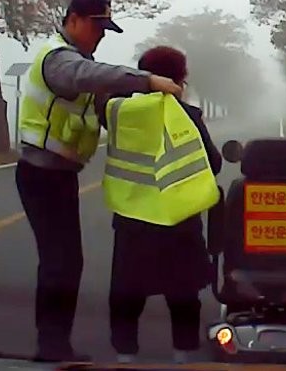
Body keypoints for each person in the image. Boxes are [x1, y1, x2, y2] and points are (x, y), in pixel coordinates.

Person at [15, 0, 183, 362]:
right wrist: (149, 80)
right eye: (96, 26)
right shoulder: (58, 59)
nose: (101, 35)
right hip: (40, 175)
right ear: (73, 20)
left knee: (66, 260)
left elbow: (106, 105)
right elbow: (91, 77)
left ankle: (55, 343)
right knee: (61, 261)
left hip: (59, 176)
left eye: (106, 29)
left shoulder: (80, 60)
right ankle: (52, 348)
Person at [95, 46, 223, 364]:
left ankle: (125, 355)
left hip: (131, 216)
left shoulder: (118, 112)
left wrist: (140, 83)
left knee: (127, 292)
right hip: (178, 219)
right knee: (182, 293)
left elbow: (104, 95)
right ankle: (183, 353)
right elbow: (214, 163)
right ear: (181, 77)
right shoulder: (187, 116)